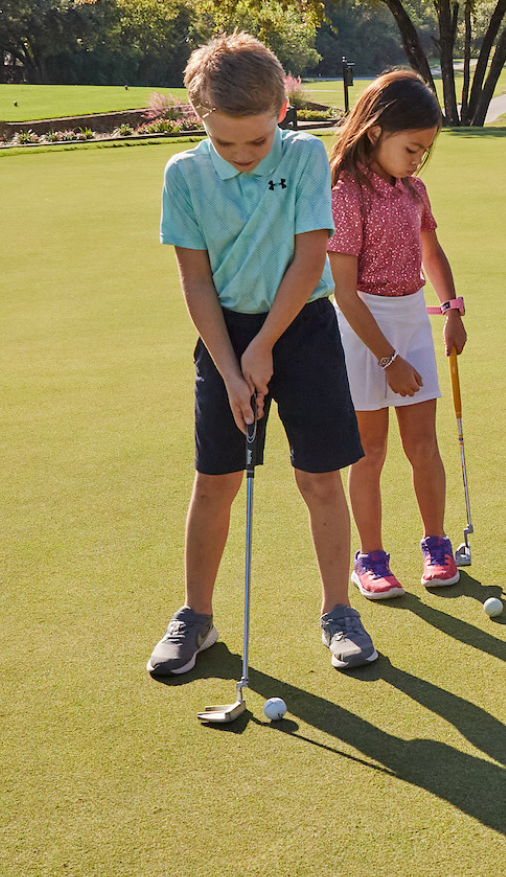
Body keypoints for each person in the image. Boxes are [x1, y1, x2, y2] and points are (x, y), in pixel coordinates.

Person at [148, 33, 377, 676]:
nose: (245, 155)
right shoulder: (184, 174)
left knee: (320, 478)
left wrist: (266, 346)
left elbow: (310, 257)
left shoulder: (303, 155)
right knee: (215, 481)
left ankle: (338, 612)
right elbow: (195, 281)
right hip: (222, 336)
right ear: (200, 118)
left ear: (280, 110)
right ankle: (197, 617)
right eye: (226, 143)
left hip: (302, 329)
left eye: (256, 140)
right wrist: (231, 369)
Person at [327, 69, 467, 600]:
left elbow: (431, 251)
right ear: (375, 132)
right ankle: (370, 558)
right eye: (411, 149)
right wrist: (390, 360)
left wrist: (451, 309)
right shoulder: (345, 194)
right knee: (369, 450)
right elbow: (344, 293)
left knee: (423, 444)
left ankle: (437, 545)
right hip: (362, 327)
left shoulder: (413, 189)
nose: (417, 161)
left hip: (410, 319)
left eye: (424, 152)